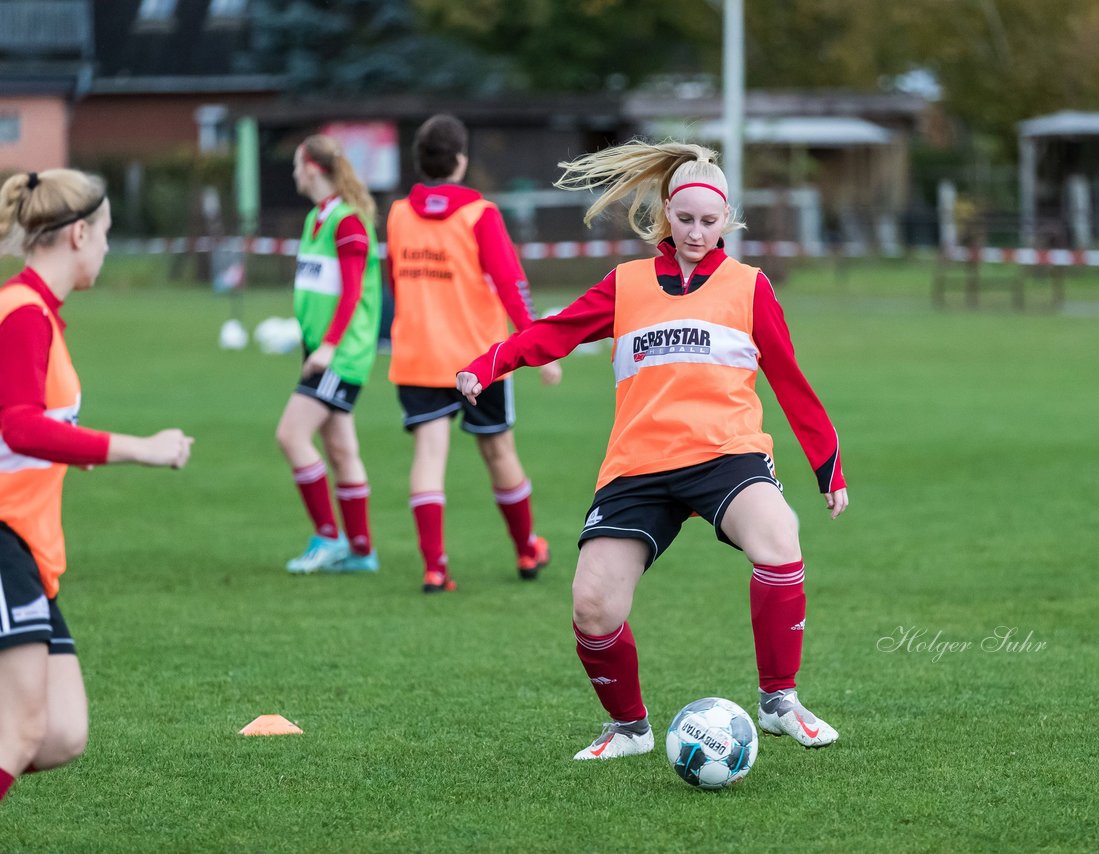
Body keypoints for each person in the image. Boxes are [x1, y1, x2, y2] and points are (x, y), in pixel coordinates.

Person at [457, 141, 849, 760]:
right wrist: (491, 363)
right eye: (685, 219)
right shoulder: (627, 283)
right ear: (667, 215)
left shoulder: (749, 287)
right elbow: (555, 333)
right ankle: (630, 729)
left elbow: (790, 380)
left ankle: (779, 702)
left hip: (727, 455)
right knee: (592, 607)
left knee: (779, 536)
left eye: (709, 221)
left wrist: (828, 465)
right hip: (638, 466)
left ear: (727, 221)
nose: (696, 232)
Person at [0, 168, 194, 802]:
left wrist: (73, 452)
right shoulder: (23, 313)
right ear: (79, 233)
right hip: (4, 539)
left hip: (26, 545)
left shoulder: (40, 314)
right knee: (24, 728)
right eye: (106, 233)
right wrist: (138, 449)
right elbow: (21, 426)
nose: (108, 248)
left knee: (61, 733)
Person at [387, 115, 561, 593]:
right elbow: (511, 284)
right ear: (461, 160)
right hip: (478, 360)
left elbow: (393, 283)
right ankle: (527, 549)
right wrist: (538, 347)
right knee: (498, 451)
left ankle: (435, 567)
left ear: (420, 160)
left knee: (428, 453)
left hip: (417, 355)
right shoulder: (479, 214)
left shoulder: (399, 213)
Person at [276, 135, 383, 574]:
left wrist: (328, 346)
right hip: (324, 350)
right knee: (340, 448)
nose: (294, 172)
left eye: (298, 164)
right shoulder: (316, 219)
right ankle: (361, 552)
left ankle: (328, 537)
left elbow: (353, 293)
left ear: (314, 168)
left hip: (340, 355)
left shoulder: (348, 222)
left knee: (292, 436)